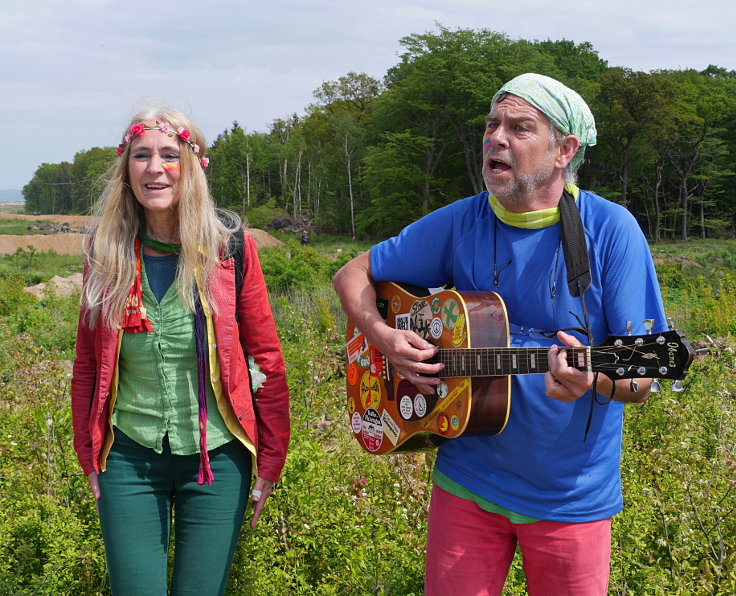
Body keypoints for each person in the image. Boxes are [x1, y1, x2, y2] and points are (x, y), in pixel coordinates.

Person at [333, 73, 667, 595]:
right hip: (466, 482)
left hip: (568, 498)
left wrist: (594, 379)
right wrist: (383, 338)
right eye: (492, 125)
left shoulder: (611, 229)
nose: (496, 138)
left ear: (565, 150)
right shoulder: (460, 221)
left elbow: (642, 376)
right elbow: (352, 273)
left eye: (520, 127)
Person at [71, 104, 290, 596]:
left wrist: (271, 461)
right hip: (127, 456)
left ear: (192, 164)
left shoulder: (229, 247)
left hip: (218, 458)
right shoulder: (104, 251)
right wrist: (88, 455)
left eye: (169, 154)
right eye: (142, 155)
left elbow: (266, 361)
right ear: (125, 167)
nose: (155, 168)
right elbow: (88, 364)